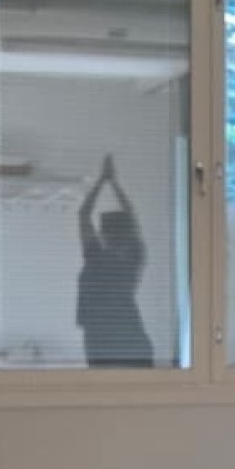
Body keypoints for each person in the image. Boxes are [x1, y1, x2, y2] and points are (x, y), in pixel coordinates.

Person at [77, 154, 155, 367]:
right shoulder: (120, 257)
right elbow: (85, 216)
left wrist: (105, 181)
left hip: (121, 343)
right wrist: (110, 182)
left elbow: (84, 215)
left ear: (104, 236)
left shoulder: (103, 257)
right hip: (108, 343)